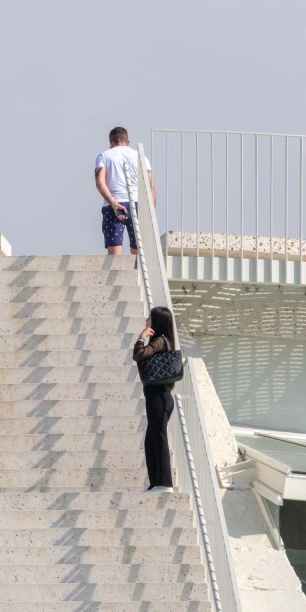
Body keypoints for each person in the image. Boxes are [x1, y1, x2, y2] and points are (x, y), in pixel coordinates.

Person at [133, 305, 181, 490]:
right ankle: (155, 483)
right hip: (158, 396)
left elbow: (139, 355)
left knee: (159, 438)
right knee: (151, 440)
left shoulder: (160, 340)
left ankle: (164, 484)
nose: (146, 320)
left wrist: (141, 337)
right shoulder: (163, 341)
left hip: (159, 396)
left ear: (157, 322)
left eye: (150, 318)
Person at [94, 126, 153, 260]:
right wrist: (149, 211)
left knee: (115, 255)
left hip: (114, 206)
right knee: (139, 252)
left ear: (110, 142)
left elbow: (99, 182)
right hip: (137, 204)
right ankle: (138, 279)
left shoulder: (104, 155)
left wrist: (114, 204)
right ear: (128, 141)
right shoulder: (140, 156)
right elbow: (150, 185)